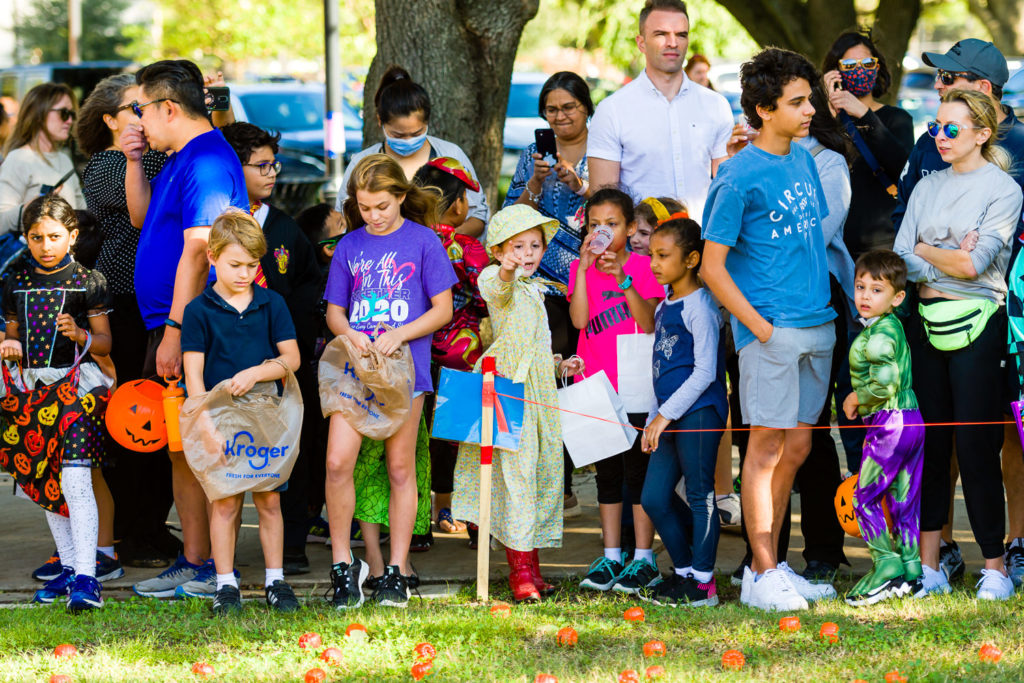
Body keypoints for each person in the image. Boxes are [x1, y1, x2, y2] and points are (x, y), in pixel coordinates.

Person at [700, 47, 838, 611]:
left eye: (809, 100)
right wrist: (760, 327)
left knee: (799, 446)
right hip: (772, 333)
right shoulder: (736, 176)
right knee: (764, 449)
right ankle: (761, 568)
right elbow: (711, 266)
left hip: (819, 326)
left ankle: (771, 568)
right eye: (798, 103)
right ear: (763, 109)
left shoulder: (804, 158)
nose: (810, 111)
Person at [893, 39, 1024, 587]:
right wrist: (936, 254)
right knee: (933, 443)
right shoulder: (925, 185)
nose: (939, 138)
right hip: (926, 325)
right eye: (935, 128)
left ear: (981, 132)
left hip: (980, 329)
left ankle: (993, 565)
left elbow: (976, 268)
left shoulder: (1004, 188)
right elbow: (903, 259)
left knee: (977, 445)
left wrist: (928, 250)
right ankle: (929, 566)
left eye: (951, 129)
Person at [126, 59, 249, 600]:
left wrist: (176, 329)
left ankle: (212, 566)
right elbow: (143, 221)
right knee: (181, 444)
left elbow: (200, 251)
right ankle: (194, 557)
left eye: (141, 109)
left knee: (202, 443)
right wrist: (134, 159)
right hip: (171, 322)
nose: (138, 120)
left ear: (168, 108)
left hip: (196, 323)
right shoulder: (179, 158)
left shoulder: (206, 161)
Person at [323, 154, 456, 609]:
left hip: (405, 372)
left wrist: (399, 333)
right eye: (364, 207)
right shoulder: (349, 246)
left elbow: (444, 309)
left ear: (400, 197)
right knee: (339, 463)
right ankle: (344, 565)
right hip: (354, 373)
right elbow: (334, 311)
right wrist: (350, 334)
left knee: (401, 468)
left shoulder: (423, 242)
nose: (374, 216)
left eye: (382, 205)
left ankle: (396, 571)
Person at [452, 204, 584, 602]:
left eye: (534, 246)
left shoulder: (536, 289)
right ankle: (519, 573)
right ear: (497, 251)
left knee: (542, 476)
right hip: (509, 393)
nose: (527, 254)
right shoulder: (499, 277)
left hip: (540, 394)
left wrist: (558, 364)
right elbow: (497, 288)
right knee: (517, 479)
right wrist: (507, 269)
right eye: (517, 246)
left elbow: (530, 342)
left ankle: (534, 568)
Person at [75, 73, 176, 570]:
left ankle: (152, 524)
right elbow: (159, 184)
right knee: (131, 416)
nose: (149, 114)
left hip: (155, 301)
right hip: (122, 302)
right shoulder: (104, 166)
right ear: (110, 120)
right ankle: (130, 531)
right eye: (137, 108)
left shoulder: (160, 154)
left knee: (162, 415)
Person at [180, 210, 302, 614]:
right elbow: (193, 375)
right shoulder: (199, 310)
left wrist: (256, 372)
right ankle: (226, 584)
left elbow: (292, 358)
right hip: (219, 417)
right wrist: (206, 426)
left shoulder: (272, 303)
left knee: (268, 502)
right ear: (212, 258)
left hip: (266, 416)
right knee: (226, 503)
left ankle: (275, 580)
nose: (245, 273)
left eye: (252, 265)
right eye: (235, 265)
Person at [220, 121, 323, 576]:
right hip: (228, 362)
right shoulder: (216, 225)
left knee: (289, 453)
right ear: (233, 167)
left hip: (281, 364)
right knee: (229, 453)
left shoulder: (284, 228)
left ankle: (293, 545)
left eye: (273, 163)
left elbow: (306, 287)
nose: (272, 173)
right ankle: (219, 556)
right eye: (261, 165)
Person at [2, 195, 114, 611]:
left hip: (75, 390)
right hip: (31, 391)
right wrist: (9, 342)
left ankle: (88, 577)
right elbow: (11, 331)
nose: (45, 245)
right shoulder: (14, 281)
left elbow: (105, 341)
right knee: (45, 479)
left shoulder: (90, 280)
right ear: (25, 238)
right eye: (36, 237)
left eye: (54, 236)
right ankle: (69, 566)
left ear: (72, 236)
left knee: (75, 481)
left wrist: (81, 335)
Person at [568, 188, 663, 595]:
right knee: (607, 474)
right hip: (595, 381)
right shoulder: (580, 267)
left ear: (629, 227)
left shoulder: (646, 267)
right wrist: (587, 269)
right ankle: (611, 555)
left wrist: (621, 279)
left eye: (611, 224)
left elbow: (648, 323)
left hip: (638, 380)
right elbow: (578, 320)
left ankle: (643, 557)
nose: (602, 231)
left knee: (637, 472)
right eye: (594, 225)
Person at [639, 215, 727, 607]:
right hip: (669, 415)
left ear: (691, 259)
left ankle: (704, 583)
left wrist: (664, 415)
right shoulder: (664, 306)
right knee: (655, 497)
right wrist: (656, 416)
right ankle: (687, 570)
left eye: (663, 255)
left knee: (698, 493)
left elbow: (706, 371)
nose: (654, 263)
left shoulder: (702, 305)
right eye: (652, 255)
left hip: (700, 412)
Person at [587, 0, 734, 219]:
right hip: (640, 249)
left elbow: (727, 188)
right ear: (641, 43)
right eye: (661, 34)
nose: (673, 42)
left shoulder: (716, 105)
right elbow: (603, 204)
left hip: (703, 242)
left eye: (681, 35)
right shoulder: (612, 110)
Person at [841, 250, 924, 606]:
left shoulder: (877, 336)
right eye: (860, 287)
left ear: (897, 297)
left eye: (876, 290)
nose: (864, 296)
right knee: (903, 498)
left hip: (889, 423)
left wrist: (855, 398)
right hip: (911, 420)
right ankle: (911, 570)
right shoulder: (891, 327)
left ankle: (886, 565)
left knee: (865, 497)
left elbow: (885, 383)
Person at [412, 157, 489, 536]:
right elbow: (488, 298)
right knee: (460, 433)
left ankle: (418, 521)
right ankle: (460, 512)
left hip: (414, 352)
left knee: (416, 433)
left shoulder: (408, 241)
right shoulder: (467, 248)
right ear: (457, 204)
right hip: (463, 354)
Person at [335, 66, 489, 238]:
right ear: (380, 121)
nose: (408, 140)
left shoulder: (451, 155)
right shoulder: (363, 164)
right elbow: (343, 220)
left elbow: (478, 215)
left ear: (428, 122)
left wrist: (445, 241)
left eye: (416, 133)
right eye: (398, 135)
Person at [823, 31, 913, 260]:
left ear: (878, 67)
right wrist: (825, 109)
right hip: (832, 245)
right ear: (836, 71)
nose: (859, 69)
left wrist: (865, 115)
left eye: (867, 63)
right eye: (850, 64)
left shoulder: (897, 118)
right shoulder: (824, 120)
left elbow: (903, 170)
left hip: (882, 246)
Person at [0, 83, 85, 235]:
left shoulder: (64, 159)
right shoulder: (19, 159)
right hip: (31, 256)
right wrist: (31, 209)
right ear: (39, 114)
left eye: (72, 114)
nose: (70, 121)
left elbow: (81, 213)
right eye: (64, 113)